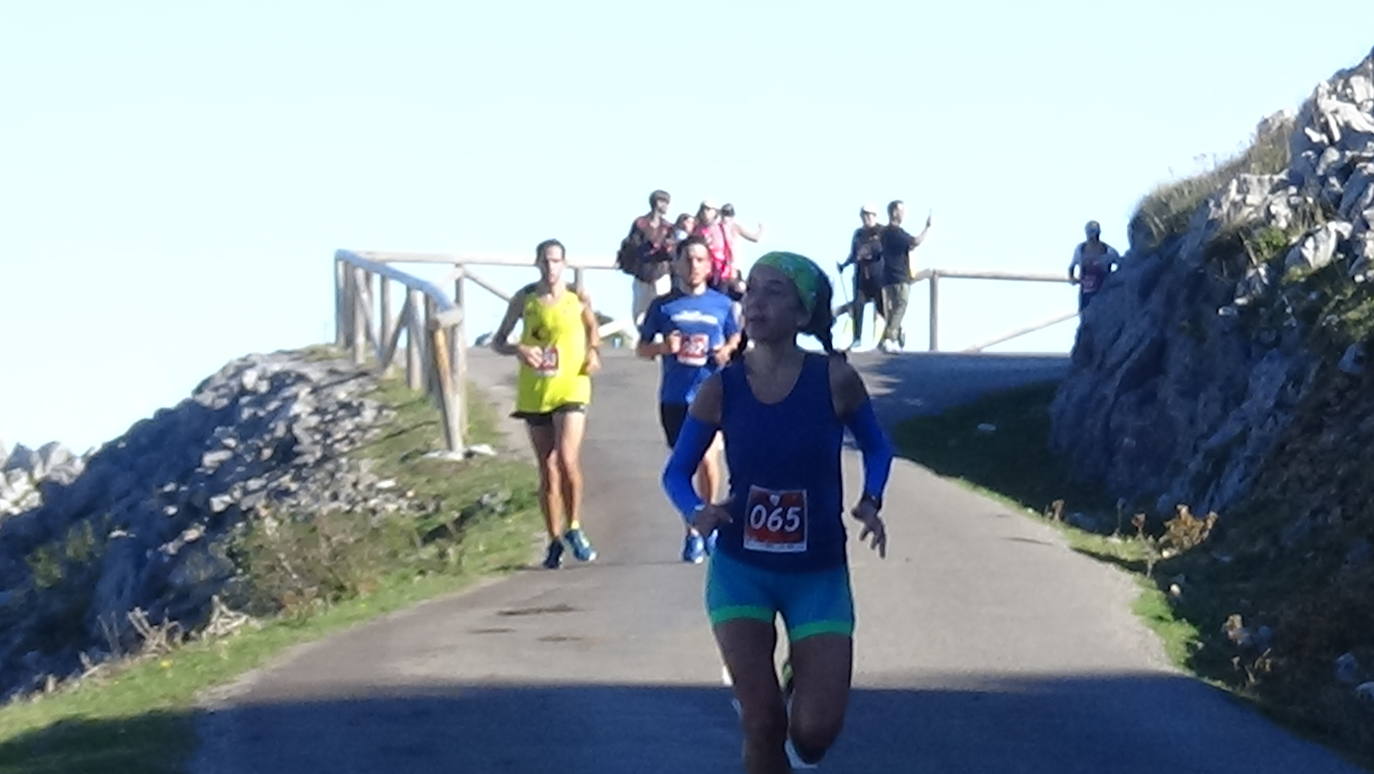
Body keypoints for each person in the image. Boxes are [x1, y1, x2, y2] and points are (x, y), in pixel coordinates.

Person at [662, 251, 894, 772]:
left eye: (775, 292)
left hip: (818, 573)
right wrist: (695, 510)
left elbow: (878, 447)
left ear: (803, 314)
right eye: (752, 290)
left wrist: (871, 499)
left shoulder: (834, 379)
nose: (757, 302)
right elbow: (675, 472)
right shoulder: (722, 388)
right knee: (763, 723)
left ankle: (800, 694)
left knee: (813, 734)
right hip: (742, 570)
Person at [491, 239, 603, 569]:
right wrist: (519, 349)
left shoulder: (577, 298)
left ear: (564, 265)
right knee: (548, 467)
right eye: (545, 262)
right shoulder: (525, 299)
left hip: (571, 386)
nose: (551, 268)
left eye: (556, 261)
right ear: (537, 264)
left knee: (568, 459)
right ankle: (553, 539)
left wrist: (593, 352)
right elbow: (499, 341)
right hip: (536, 389)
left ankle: (575, 527)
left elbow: (592, 328)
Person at [637, 236, 742, 563]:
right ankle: (692, 528)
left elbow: (736, 337)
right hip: (675, 398)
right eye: (688, 260)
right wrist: (662, 349)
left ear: (710, 267)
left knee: (709, 460)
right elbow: (641, 349)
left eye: (700, 260)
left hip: (712, 396)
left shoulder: (722, 305)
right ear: (677, 264)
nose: (694, 266)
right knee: (685, 466)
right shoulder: (664, 305)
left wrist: (727, 350)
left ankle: (704, 526)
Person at [878, 200, 932, 353]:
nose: (904, 214)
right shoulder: (895, 232)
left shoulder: (884, 233)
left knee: (893, 310)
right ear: (894, 212)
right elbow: (915, 242)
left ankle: (888, 339)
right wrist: (927, 228)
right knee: (900, 306)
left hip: (887, 277)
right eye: (901, 210)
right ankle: (890, 338)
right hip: (899, 276)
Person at [622, 189, 677, 328]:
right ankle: (646, 342)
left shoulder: (669, 227)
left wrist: (664, 249)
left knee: (664, 311)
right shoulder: (640, 224)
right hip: (643, 274)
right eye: (664, 202)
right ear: (657, 202)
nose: (666, 206)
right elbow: (633, 246)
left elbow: (672, 252)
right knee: (639, 315)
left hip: (661, 274)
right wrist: (650, 248)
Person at [837, 204, 886, 351]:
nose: (868, 217)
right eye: (865, 215)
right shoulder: (858, 234)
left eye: (871, 215)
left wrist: (868, 251)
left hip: (878, 276)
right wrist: (844, 265)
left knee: (881, 309)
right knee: (858, 307)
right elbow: (854, 254)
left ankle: (884, 339)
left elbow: (881, 250)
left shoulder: (882, 232)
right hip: (861, 278)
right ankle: (856, 338)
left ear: (876, 216)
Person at [1069, 220, 1121, 311]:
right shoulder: (1080, 250)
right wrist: (1072, 279)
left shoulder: (1109, 252)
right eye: (1090, 233)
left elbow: (1122, 266)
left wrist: (1113, 279)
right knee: (1086, 319)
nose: (1092, 236)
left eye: (1094, 233)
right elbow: (1071, 267)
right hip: (1086, 295)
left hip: (1103, 294)